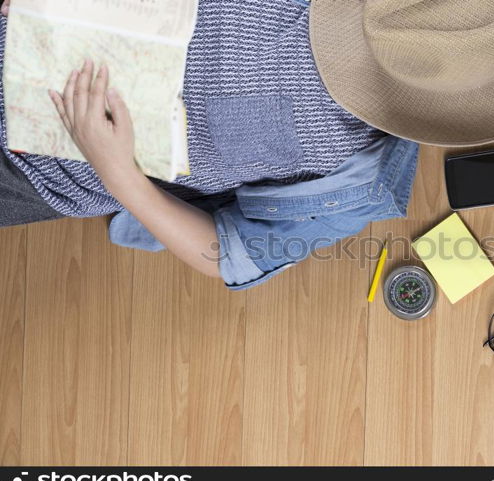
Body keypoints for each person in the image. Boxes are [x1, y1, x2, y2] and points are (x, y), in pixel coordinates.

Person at [0, 0, 419, 289]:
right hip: (20, 24)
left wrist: (119, 175)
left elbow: (228, 254)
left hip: (32, 168)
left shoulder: (360, 180)